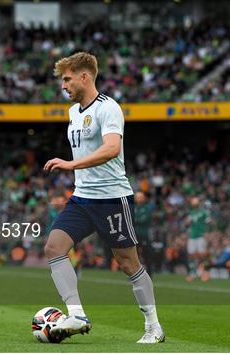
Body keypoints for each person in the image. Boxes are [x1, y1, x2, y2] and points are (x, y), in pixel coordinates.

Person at [43, 52, 165, 344]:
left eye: (68, 79)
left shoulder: (108, 108)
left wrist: (71, 165)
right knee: (53, 247)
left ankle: (153, 327)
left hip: (112, 198)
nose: (64, 85)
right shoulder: (73, 112)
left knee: (128, 263)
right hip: (82, 198)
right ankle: (76, 315)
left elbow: (112, 148)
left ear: (85, 77)